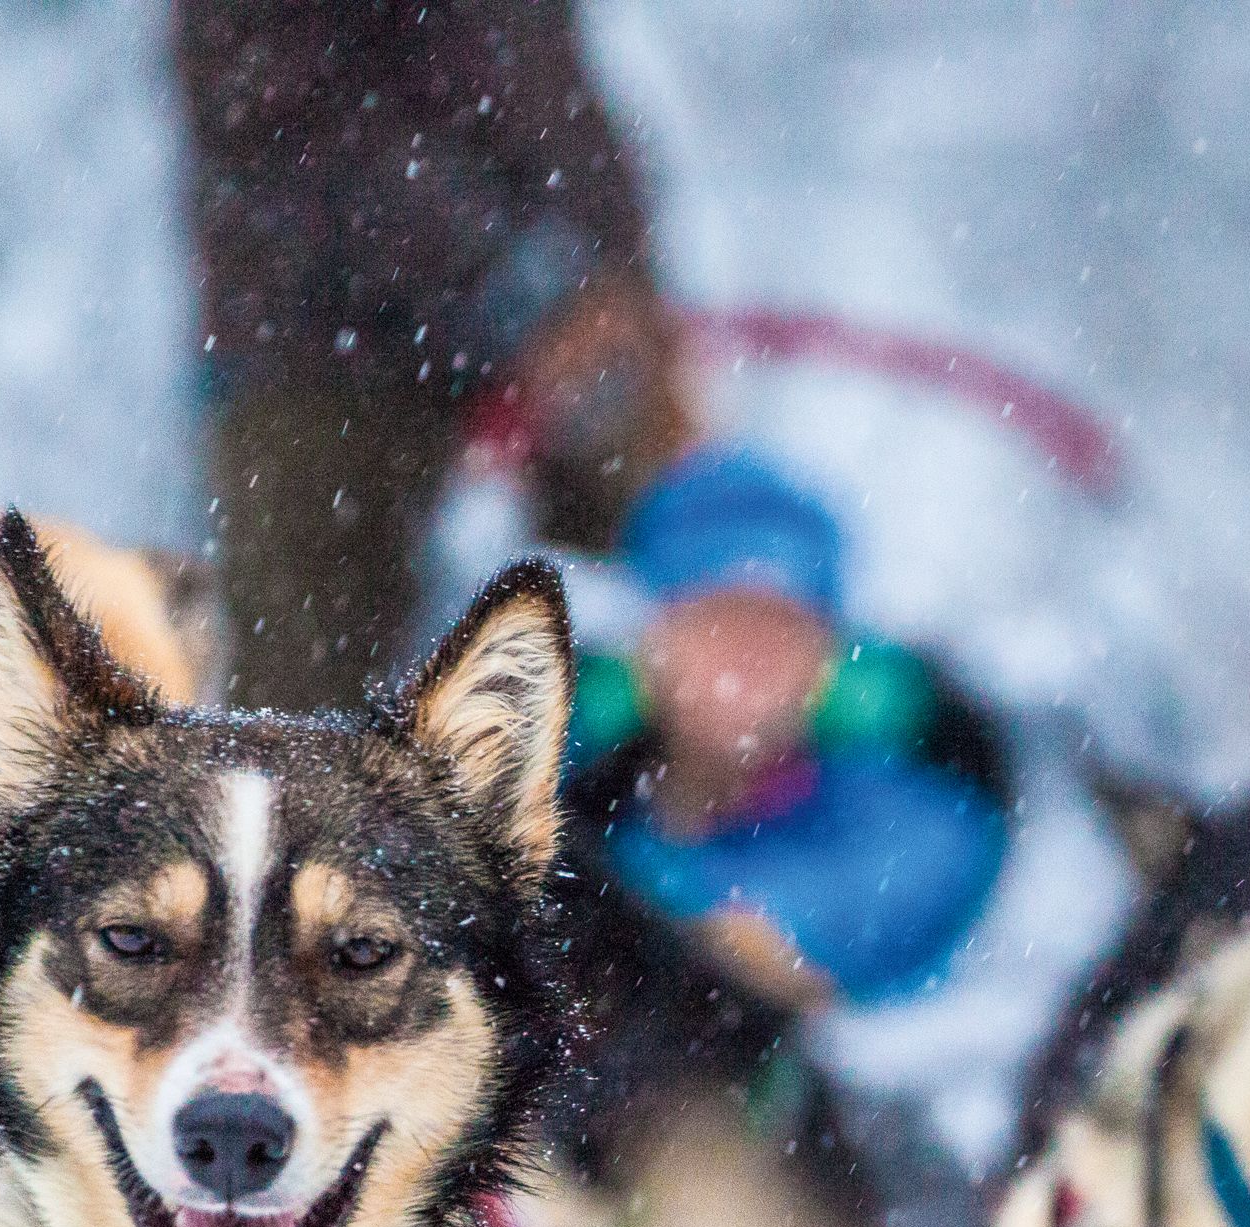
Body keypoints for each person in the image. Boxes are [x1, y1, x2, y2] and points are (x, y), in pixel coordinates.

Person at [175, 0, 693, 710]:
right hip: (323, 355)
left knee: (658, 613)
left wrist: (622, 284)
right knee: (305, 692)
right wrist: (530, 287)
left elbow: (558, 110)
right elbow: (295, 128)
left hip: (545, 329)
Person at [566, 447, 1013, 1009]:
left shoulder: (917, 827)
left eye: (783, 628)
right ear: (646, 647)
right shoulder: (572, 798)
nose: (749, 658)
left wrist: (677, 899)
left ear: (831, 662)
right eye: (716, 622)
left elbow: (778, 952)